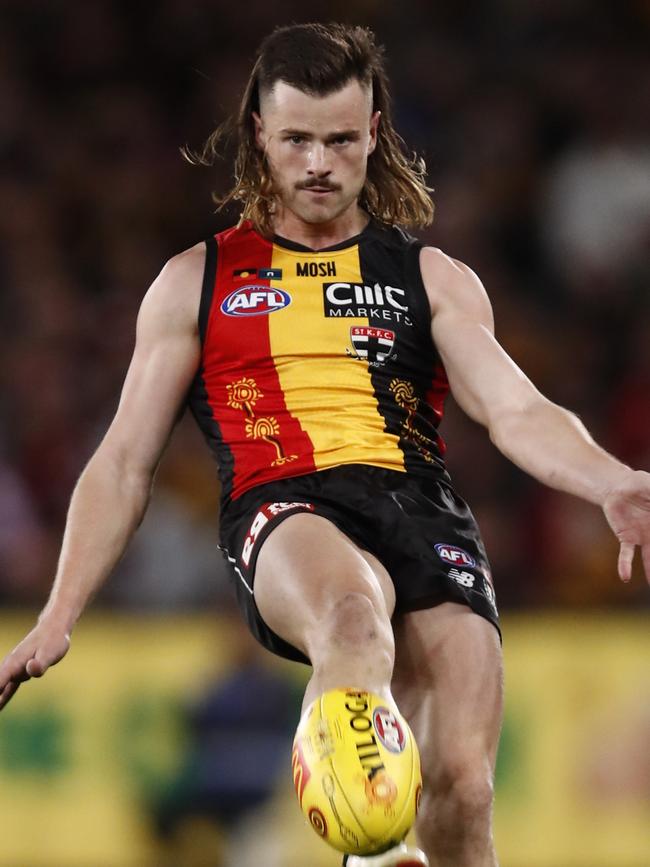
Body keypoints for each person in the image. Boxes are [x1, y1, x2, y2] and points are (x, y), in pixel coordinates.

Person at [0, 22, 649, 867]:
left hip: (422, 511)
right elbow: (124, 461)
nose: (317, 163)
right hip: (285, 505)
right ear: (259, 134)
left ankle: (396, 847)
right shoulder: (194, 282)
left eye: (340, 140)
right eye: (297, 139)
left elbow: (514, 409)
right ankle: (369, 849)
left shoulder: (432, 276)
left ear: (374, 132)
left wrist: (609, 480)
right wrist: (61, 611)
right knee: (351, 614)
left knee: (461, 789)